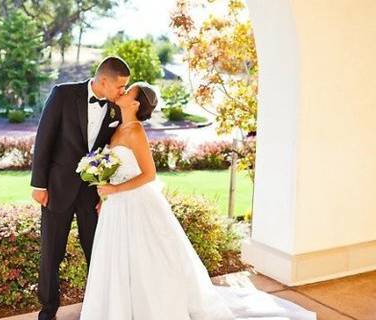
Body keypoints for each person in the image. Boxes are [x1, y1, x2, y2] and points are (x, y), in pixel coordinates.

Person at [79, 82, 317, 320]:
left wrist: (115, 188)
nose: (123, 91)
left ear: (136, 103)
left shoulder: (135, 131)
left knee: (147, 260)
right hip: (117, 205)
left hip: (137, 204)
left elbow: (149, 174)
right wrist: (106, 191)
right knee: (119, 261)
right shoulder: (117, 126)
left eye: (128, 90)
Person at [30, 56, 131, 320]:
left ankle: (98, 307)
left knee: (96, 251)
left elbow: (112, 152)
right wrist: (39, 184)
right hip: (57, 188)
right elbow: (44, 139)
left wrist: (105, 189)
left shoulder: (115, 111)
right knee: (52, 253)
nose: (123, 92)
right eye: (120, 87)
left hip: (91, 195)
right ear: (104, 81)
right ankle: (48, 310)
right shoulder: (63, 94)